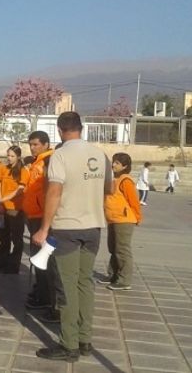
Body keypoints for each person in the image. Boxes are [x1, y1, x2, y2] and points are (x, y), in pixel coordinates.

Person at [32, 111, 113, 362]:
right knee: (84, 283)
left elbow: (54, 192)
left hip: (67, 228)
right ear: (82, 128)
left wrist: (44, 228)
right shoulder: (100, 155)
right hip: (93, 228)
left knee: (66, 287)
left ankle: (69, 345)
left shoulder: (61, 155)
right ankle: (84, 339)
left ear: (59, 130)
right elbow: (108, 188)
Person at [22, 131, 59, 321]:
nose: (32, 147)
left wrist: (45, 221)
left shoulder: (48, 161)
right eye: (31, 144)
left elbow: (49, 192)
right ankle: (42, 292)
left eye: (36, 144)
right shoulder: (37, 161)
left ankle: (47, 298)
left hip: (42, 217)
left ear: (46, 144)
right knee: (39, 259)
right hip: (33, 215)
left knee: (44, 261)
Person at [100, 153, 141, 291]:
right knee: (113, 248)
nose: (113, 165)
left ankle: (124, 280)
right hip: (113, 219)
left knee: (122, 249)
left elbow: (134, 202)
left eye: (117, 163)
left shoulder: (125, 181)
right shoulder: (114, 179)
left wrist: (137, 217)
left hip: (124, 220)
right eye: (113, 162)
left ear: (125, 166)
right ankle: (113, 275)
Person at [0, 146, 29, 275]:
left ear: (18, 157)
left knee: (16, 238)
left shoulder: (23, 171)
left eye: (12, 156)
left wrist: (4, 199)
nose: (9, 158)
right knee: (3, 236)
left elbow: (19, 190)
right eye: (8, 155)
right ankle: (3, 261)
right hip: (3, 207)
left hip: (15, 209)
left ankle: (14, 265)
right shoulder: (4, 168)